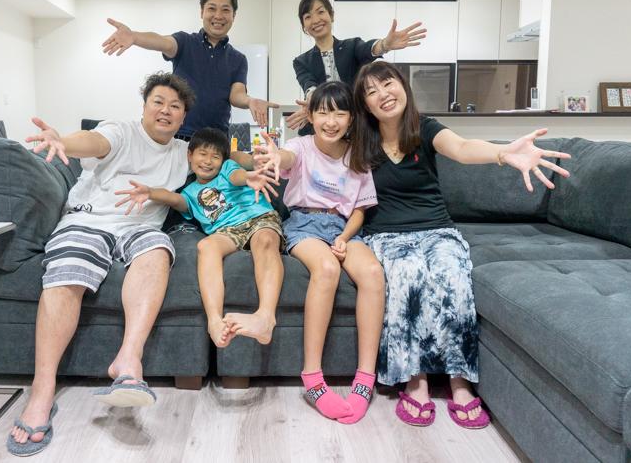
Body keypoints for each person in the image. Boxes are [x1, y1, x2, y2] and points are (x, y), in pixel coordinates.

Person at [350, 60, 571, 428]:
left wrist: (504, 152)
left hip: (437, 230)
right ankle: (415, 378)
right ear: (365, 105)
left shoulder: (425, 129)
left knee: (452, 273)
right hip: (385, 235)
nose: (383, 95)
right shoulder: (361, 140)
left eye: (388, 84)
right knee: (406, 274)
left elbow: (463, 147)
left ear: (403, 86)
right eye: (371, 92)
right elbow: (322, 134)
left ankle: (460, 379)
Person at [7, 72, 197, 456]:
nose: (165, 110)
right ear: (144, 106)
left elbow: (225, 159)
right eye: (158, 102)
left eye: (175, 106)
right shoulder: (122, 131)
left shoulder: (183, 151)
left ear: (182, 117)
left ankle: (128, 360)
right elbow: (94, 141)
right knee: (67, 269)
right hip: (87, 220)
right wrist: (63, 141)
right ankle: (42, 392)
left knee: (158, 251)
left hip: (140, 227)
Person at [257, 81, 386, 425]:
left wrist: (344, 237)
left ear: (351, 118)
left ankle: (365, 380)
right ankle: (313, 379)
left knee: (373, 273)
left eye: (340, 113)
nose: (331, 121)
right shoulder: (300, 146)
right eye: (324, 113)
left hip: (342, 227)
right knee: (327, 268)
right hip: (304, 224)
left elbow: (359, 210)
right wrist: (275, 156)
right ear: (311, 116)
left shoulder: (357, 155)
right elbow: (286, 158)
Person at [114, 127, 285, 349]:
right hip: (226, 231)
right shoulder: (189, 192)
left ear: (223, 160)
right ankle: (214, 322)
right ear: (190, 155)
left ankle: (265, 318)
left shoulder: (227, 169)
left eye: (215, 156)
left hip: (258, 217)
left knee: (265, 240)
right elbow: (174, 199)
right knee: (206, 245)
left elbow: (237, 177)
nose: (208, 161)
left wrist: (248, 177)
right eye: (202, 154)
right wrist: (150, 193)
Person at [102, 0, 278, 138]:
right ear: (202, 12)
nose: (218, 16)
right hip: (178, 135)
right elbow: (163, 42)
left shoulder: (238, 58)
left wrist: (250, 101)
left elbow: (236, 95)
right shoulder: (185, 42)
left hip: (216, 140)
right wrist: (135, 37)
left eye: (225, 10)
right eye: (212, 8)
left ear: (234, 16)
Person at [287, 0, 427, 136]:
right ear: (304, 25)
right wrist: (314, 102)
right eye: (308, 17)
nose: (315, 20)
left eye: (320, 12)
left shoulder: (352, 46)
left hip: (358, 128)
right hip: (323, 130)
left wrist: (385, 44)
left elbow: (367, 50)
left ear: (332, 15)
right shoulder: (301, 61)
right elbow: (309, 86)